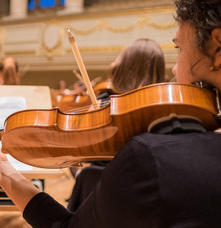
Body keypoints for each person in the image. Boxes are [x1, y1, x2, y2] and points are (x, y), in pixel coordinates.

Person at [0, 0, 221, 228]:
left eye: (179, 49)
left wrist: (0, 168)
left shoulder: (154, 162)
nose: (173, 69)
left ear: (218, 47)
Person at [67, 38, 166, 212]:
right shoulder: (164, 111)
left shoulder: (105, 104)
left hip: (98, 201)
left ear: (122, 69)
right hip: (146, 204)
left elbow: (80, 152)